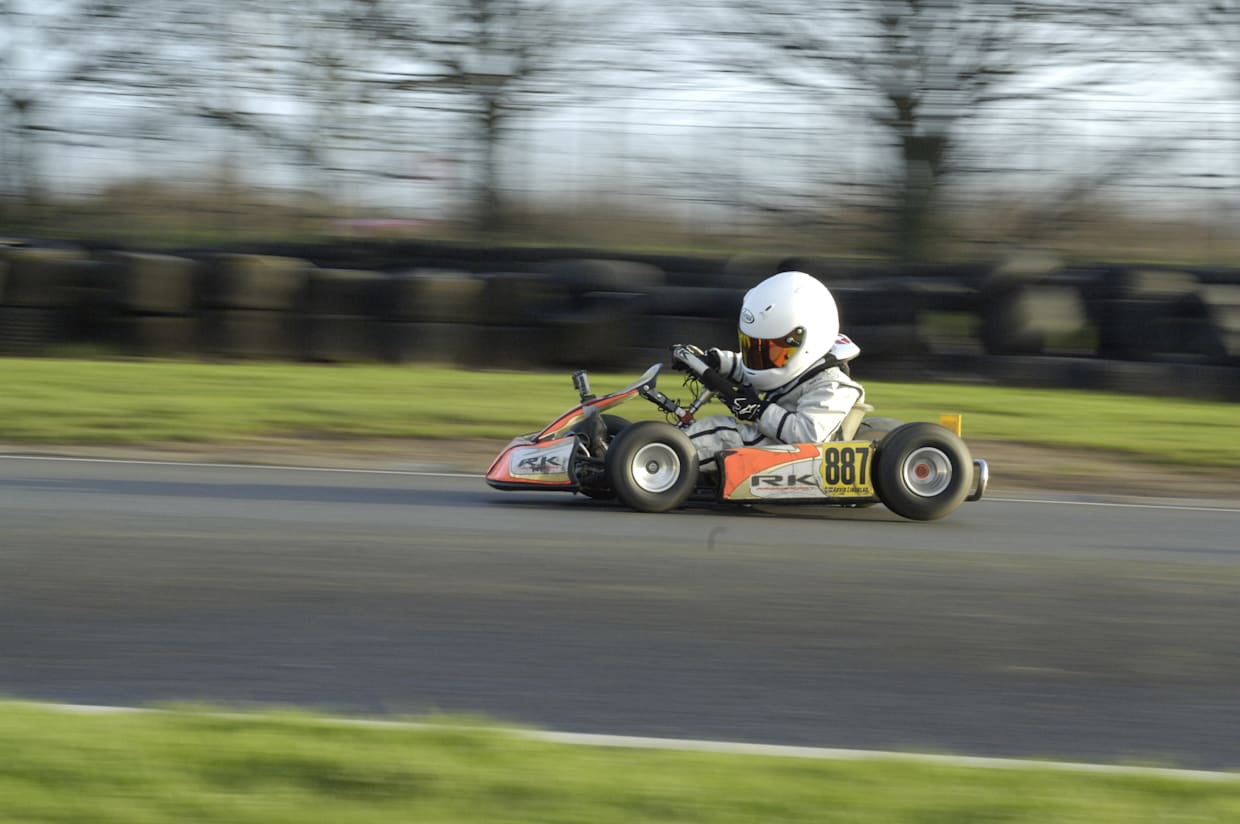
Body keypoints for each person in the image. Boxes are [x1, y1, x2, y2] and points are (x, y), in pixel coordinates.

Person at [679, 270, 865, 473]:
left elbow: (808, 436)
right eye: (754, 348)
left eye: (772, 350)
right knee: (715, 430)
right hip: (774, 441)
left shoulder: (834, 386)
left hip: (796, 457)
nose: (761, 358)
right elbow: (755, 369)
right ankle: (665, 449)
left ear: (807, 341)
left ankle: (665, 457)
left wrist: (759, 410)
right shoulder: (794, 366)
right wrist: (715, 361)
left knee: (721, 434)